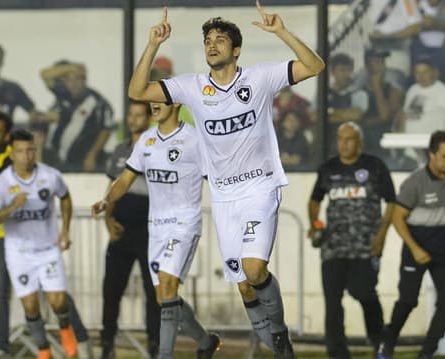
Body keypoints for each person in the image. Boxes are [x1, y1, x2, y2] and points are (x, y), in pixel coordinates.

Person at [127, 4, 325, 357]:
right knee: (246, 288)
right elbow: (138, 91)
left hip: (259, 187)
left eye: (220, 39)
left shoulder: (260, 78)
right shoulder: (192, 87)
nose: (212, 44)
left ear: (236, 50)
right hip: (223, 197)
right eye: (207, 40)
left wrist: (282, 32)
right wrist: (153, 44)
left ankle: (280, 335)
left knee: (253, 269)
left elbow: (315, 66)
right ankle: (275, 342)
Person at [0, 112, 93, 359]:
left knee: (57, 297)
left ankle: (73, 332)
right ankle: (19, 347)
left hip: (43, 244)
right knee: (8, 296)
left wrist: (65, 230)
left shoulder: (31, 168)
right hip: (9, 242)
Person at [92, 95, 219, 359]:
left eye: (161, 100)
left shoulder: (196, 140)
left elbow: (216, 180)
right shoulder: (146, 142)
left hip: (184, 224)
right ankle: (205, 341)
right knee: (164, 297)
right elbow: (125, 179)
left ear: (178, 105)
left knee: (167, 285)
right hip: (157, 228)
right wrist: (106, 201)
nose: (154, 104)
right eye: (153, 101)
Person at [0, 130, 77, 359]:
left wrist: (65, 229)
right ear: (12, 155)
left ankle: (65, 328)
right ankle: (43, 349)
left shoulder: (50, 176)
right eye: (21, 151)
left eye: (30, 150)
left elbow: (65, 197)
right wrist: (11, 208)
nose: (27, 156)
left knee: (58, 301)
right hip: (19, 253)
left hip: (48, 250)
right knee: (31, 306)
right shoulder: (2, 183)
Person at [377, 131, 445, 359]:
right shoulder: (415, 183)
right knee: (408, 301)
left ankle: (427, 352)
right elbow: (398, 218)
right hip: (416, 247)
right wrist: (415, 249)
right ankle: (387, 343)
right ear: (432, 154)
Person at [308, 122, 396, 359]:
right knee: (333, 304)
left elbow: (392, 202)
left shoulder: (375, 166)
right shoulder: (328, 168)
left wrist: (381, 235)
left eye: (349, 139)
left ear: (360, 143)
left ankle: (379, 342)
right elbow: (315, 200)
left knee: (364, 292)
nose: (343, 144)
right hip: (333, 248)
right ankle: (337, 353)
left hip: (365, 247)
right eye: (340, 139)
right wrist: (314, 224)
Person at [99, 101, 160, 359]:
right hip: (122, 229)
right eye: (130, 115)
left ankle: (155, 345)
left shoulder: (157, 146)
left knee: (152, 291)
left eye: (138, 115)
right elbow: (111, 189)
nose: (133, 119)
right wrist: (107, 221)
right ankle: (107, 344)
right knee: (111, 290)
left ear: (148, 118)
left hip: (149, 228)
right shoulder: (119, 150)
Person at [40, 61, 115, 172]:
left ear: (84, 80)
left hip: (80, 160)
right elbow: (44, 74)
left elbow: (106, 130)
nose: (73, 84)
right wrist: (71, 67)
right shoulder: (63, 95)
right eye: (69, 80)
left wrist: (92, 156)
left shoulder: (98, 102)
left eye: (77, 79)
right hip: (55, 158)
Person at [399, 56, 445, 134]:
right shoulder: (413, 89)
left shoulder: (443, 92)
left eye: (425, 72)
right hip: (409, 143)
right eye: (417, 72)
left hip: (433, 144)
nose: (421, 76)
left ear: (435, 72)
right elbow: (405, 116)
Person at [327, 53, 369, 157]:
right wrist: (346, 114)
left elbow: (357, 116)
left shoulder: (359, 93)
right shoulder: (324, 93)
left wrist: (331, 112)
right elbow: (315, 116)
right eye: (342, 70)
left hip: (354, 146)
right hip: (328, 144)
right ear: (333, 72)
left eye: (349, 70)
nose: (346, 74)